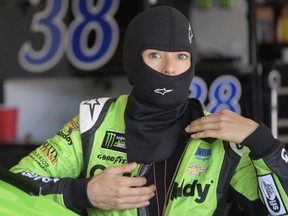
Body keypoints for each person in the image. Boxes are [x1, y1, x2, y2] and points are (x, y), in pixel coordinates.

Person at [10, 5, 288, 216]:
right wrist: (83, 193)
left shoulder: (221, 140)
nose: (170, 69)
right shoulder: (92, 124)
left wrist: (263, 143)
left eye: (181, 56)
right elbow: (12, 187)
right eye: (155, 55)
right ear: (133, 60)